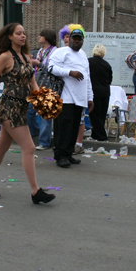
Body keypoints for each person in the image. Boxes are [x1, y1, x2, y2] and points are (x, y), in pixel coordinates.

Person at [0, 23, 56, 204]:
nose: (23, 36)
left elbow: (33, 82)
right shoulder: (4, 57)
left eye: (24, 33)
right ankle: (35, 191)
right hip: (9, 107)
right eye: (18, 33)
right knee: (29, 148)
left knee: (1, 148)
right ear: (10, 36)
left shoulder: (25, 57)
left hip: (22, 107)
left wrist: (42, 101)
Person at [48, 25, 94, 168]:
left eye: (79, 39)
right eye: (74, 38)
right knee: (63, 128)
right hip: (65, 97)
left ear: (82, 41)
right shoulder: (62, 52)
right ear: (69, 39)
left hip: (79, 99)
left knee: (74, 128)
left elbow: (87, 78)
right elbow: (51, 68)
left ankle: (68, 153)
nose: (77, 41)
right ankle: (60, 155)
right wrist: (70, 72)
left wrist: (90, 97)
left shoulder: (83, 56)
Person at [29, 29, 57, 150]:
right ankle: (36, 132)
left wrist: (38, 64)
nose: (39, 37)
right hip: (36, 83)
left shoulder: (54, 52)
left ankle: (44, 141)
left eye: (41, 35)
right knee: (29, 111)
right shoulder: (40, 51)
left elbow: (52, 69)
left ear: (47, 37)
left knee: (45, 114)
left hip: (48, 85)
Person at [88, 44, 113, 142]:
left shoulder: (88, 62)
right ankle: (95, 135)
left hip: (94, 91)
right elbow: (110, 79)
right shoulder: (107, 64)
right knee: (102, 115)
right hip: (105, 92)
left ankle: (102, 136)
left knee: (95, 115)